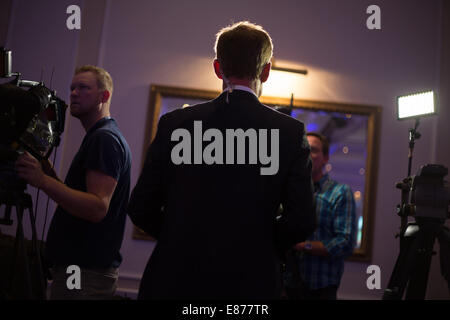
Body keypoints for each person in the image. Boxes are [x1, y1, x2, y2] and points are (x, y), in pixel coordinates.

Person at [127, 21, 316, 300]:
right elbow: (301, 220)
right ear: (265, 71)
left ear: (217, 68)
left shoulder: (176, 124)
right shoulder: (288, 133)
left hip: (174, 279)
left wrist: (180, 235)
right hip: (250, 283)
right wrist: (259, 244)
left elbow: (141, 206)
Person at [15, 65, 131, 299]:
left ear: (104, 96)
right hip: (83, 271)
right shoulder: (102, 135)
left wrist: (42, 182)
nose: (74, 93)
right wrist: (48, 176)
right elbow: (81, 202)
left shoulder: (104, 139)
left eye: (83, 88)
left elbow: (97, 207)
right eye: (72, 88)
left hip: (84, 273)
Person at [284, 132, 356, 300]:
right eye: (303, 150)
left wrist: (304, 246)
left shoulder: (340, 192)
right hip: (286, 287)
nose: (307, 154)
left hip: (321, 289)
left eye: (313, 150)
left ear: (325, 158)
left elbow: (345, 243)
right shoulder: (287, 190)